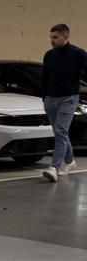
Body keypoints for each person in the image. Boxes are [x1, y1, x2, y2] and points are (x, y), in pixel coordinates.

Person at [41, 24, 87, 182]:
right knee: (59, 132)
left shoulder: (78, 53)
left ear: (65, 37)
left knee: (61, 130)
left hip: (69, 97)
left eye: (55, 37)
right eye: (51, 37)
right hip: (51, 98)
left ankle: (53, 167)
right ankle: (70, 160)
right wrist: (44, 97)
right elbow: (45, 77)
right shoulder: (49, 55)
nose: (52, 40)